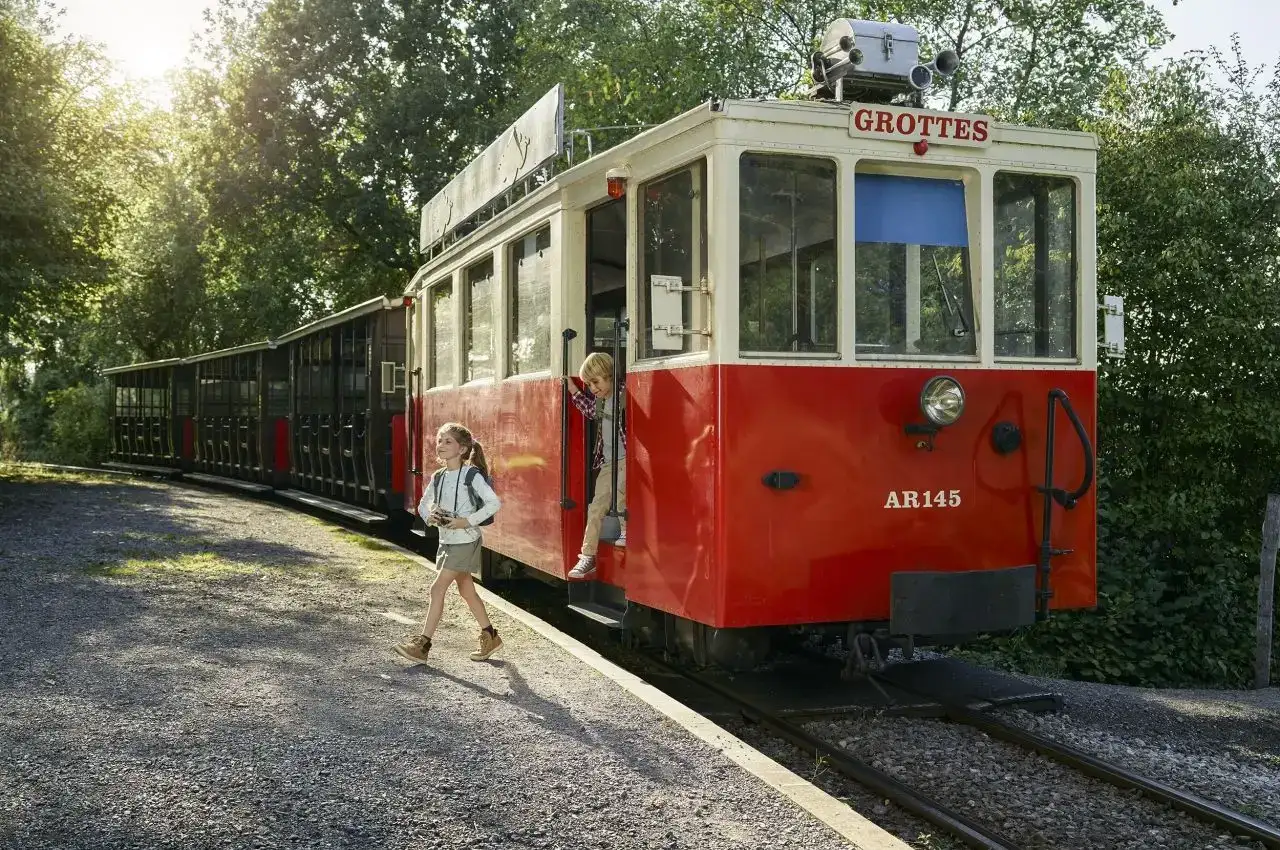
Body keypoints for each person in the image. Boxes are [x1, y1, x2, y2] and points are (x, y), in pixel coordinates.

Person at [393, 422, 502, 663]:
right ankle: (490, 636)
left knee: (437, 588)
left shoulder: (471, 476)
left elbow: (494, 503)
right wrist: (429, 516)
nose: (440, 445)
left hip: (465, 540)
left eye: (447, 441)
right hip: (447, 540)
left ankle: (423, 645)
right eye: (439, 440)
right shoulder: (439, 476)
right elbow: (423, 504)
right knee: (466, 590)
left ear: (463, 449)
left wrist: (467, 521)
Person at [566, 351, 626, 579]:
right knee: (596, 506)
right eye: (589, 384)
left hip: (627, 458)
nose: (592, 387)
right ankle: (587, 556)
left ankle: (626, 531)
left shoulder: (623, 394)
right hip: (608, 462)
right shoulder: (600, 401)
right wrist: (574, 390)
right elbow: (589, 411)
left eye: (596, 381)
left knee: (622, 492)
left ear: (611, 377)